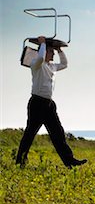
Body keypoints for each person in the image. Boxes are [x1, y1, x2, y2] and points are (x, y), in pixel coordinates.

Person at [16, 36, 87, 168]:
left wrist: (60, 50)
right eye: (52, 52)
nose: (53, 54)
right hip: (37, 103)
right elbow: (41, 57)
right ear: (44, 52)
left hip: (49, 104)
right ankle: (20, 161)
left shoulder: (52, 66)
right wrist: (42, 44)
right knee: (30, 133)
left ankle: (69, 161)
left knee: (58, 133)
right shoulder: (36, 64)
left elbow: (65, 64)